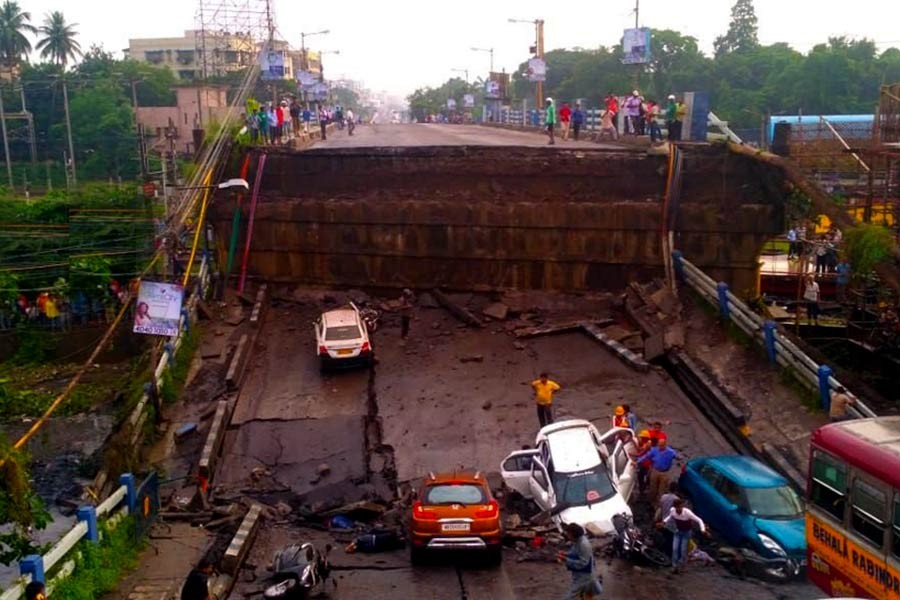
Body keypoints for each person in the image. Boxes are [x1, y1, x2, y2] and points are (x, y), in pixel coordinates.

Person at [661, 498, 707, 574]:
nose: (678, 509)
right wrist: (664, 522)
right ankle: (674, 566)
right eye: (677, 507)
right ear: (675, 507)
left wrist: (703, 529)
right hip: (678, 531)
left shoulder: (687, 513)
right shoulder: (672, 511)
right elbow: (670, 516)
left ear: (682, 506)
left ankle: (682, 565)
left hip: (686, 533)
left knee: (683, 550)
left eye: (680, 507)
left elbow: (699, 520)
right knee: (675, 549)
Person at [557, 523, 602, 599]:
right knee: (592, 591)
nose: (567, 536)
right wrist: (566, 554)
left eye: (568, 534)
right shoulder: (577, 541)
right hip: (581, 574)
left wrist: (566, 559)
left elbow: (583, 563)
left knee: (571, 595)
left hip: (584, 575)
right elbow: (575, 552)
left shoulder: (583, 544)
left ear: (574, 534)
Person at [636, 437, 678, 504]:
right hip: (655, 471)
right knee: (652, 487)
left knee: (662, 489)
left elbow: (677, 456)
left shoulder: (671, 452)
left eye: (662, 446)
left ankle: (658, 503)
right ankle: (650, 501)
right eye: (659, 445)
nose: (660, 447)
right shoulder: (654, 450)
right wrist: (637, 462)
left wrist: (678, 458)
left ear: (665, 445)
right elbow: (646, 456)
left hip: (664, 472)